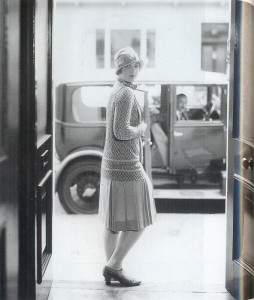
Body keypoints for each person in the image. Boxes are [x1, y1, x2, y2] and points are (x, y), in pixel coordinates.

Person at [99, 47, 157, 287]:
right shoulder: (126, 94)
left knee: (113, 223)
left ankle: (114, 268)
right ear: (120, 68)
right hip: (127, 164)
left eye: (136, 65)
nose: (133, 70)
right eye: (128, 66)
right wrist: (141, 129)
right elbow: (121, 131)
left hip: (112, 164)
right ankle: (113, 266)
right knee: (141, 220)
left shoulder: (118, 89)